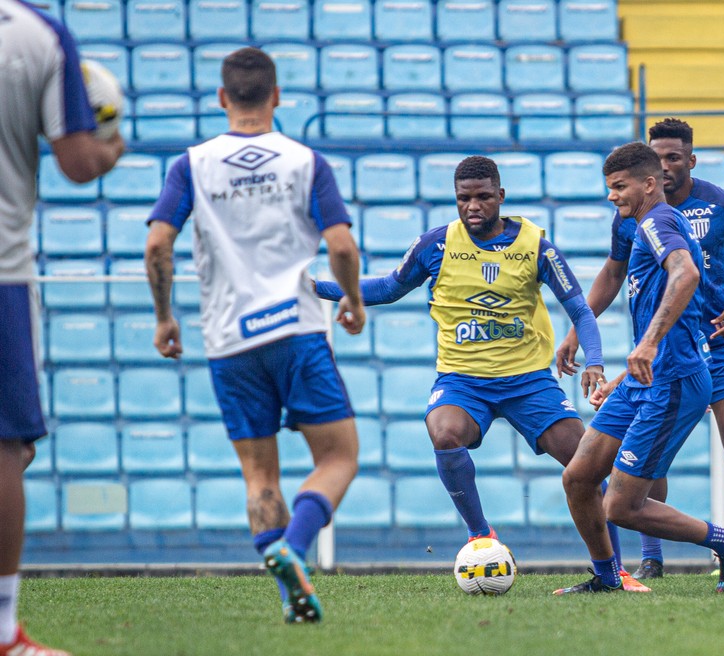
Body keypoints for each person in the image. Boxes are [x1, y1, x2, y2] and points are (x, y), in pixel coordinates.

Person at [314, 155, 650, 593]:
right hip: (463, 380)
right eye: (463, 198)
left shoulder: (536, 245)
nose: (473, 206)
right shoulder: (436, 245)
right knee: (444, 431)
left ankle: (613, 573)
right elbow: (386, 288)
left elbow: (580, 309)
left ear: (500, 197)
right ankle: (481, 536)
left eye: (483, 197)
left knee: (585, 466)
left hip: (529, 380)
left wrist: (596, 362)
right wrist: (315, 287)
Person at [144, 47, 365, 624]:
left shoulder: (190, 164)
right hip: (294, 329)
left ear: (222, 98)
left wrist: (165, 316)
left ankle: (283, 575)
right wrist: (355, 302)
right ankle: (295, 545)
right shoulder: (304, 160)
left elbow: (157, 244)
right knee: (339, 457)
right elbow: (340, 246)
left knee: (259, 476)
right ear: (276, 97)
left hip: (227, 340)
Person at [556, 117, 724, 579]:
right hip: (648, 374)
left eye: (618, 187)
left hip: (676, 372)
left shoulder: (662, 221)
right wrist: (584, 330)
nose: (611, 196)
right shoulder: (639, 221)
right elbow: (615, 275)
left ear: (651, 181)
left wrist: (650, 343)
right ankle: (610, 577)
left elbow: (687, 273)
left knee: (622, 503)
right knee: (577, 477)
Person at [0, 0, 125, 652]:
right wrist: (111, 150)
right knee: (5, 450)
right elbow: (77, 161)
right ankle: (1, 633)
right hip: (0, 270)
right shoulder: (40, 34)